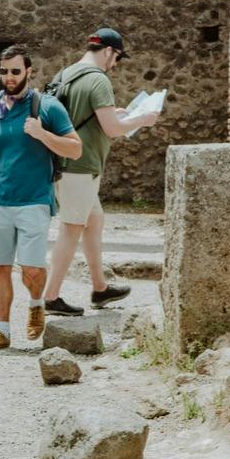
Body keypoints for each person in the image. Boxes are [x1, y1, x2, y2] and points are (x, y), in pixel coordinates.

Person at [0, 45, 82, 351]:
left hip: (35, 201)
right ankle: (1, 331)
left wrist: (43, 135)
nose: (9, 77)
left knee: (31, 268)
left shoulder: (48, 107)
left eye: (15, 71)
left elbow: (75, 148)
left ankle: (37, 303)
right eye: (4, 71)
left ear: (28, 71)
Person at [41, 27, 162, 318]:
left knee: (94, 221)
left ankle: (100, 287)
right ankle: (51, 296)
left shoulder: (66, 74)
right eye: (117, 57)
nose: (116, 64)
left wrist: (118, 116)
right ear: (108, 51)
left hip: (63, 162)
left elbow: (89, 119)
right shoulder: (98, 80)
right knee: (71, 228)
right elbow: (112, 129)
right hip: (80, 166)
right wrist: (142, 119)